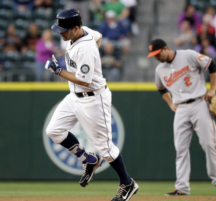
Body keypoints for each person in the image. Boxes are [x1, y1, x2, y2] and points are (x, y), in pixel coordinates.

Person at [44, 9, 139, 201]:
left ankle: (127, 183)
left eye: (64, 29)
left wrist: (58, 71)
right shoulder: (85, 32)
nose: (60, 33)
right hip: (74, 96)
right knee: (54, 131)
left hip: (93, 98)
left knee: (105, 148)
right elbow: (99, 35)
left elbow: (84, 80)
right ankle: (88, 159)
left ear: (76, 28)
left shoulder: (85, 48)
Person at [147, 39, 216, 196]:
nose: (156, 57)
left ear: (166, 48)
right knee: (180, 149)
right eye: (154, 55)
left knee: (208, 144)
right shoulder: (159, 70)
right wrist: (170, 104)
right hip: (180, 109)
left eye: (158, 53)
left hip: (199, 103)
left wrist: (212, 89)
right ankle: (182, 187)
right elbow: (161, 89)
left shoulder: (188, 55)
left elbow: (212, 64)